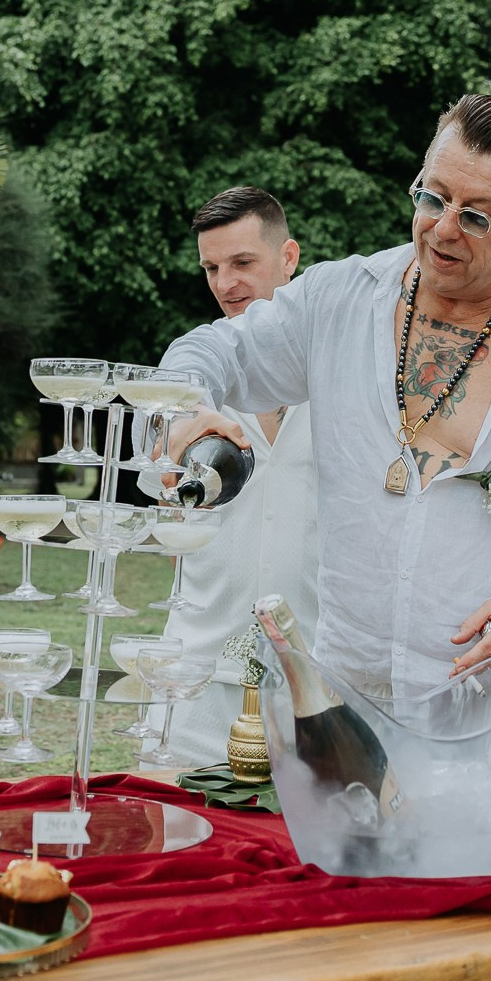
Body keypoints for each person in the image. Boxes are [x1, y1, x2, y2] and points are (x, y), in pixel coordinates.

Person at [160, 95, 491, 813]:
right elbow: (213, 349)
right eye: (431, 195)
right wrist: (186, 405)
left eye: (475, 213)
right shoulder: (338, 301)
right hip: (341, 729)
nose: (440, 227)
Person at [142, 186, 319, 768]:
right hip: (194, 677)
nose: (225, 283)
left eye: (242, 262)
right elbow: (168, 521)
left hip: (316, 679)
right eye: (211, 268)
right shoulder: (185, 381)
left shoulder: (346, 376)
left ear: (288, 257)